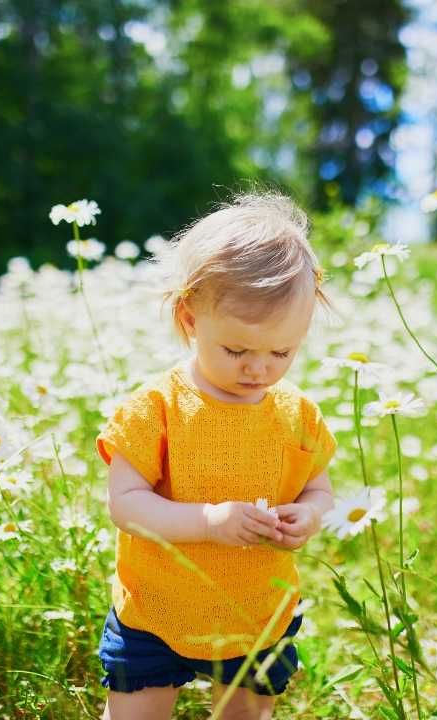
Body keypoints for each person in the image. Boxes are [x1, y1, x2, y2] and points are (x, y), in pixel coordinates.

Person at [95, 191, 338, 720]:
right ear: (190, 319)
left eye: (281, 352)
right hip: (155, 609)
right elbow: (125, 504)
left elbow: (318, 488)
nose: (259, 369)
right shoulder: (156, 407)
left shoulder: (297, 413)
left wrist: (311, 514)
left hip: (255, 613)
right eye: (236, 350)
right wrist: (208, 522)